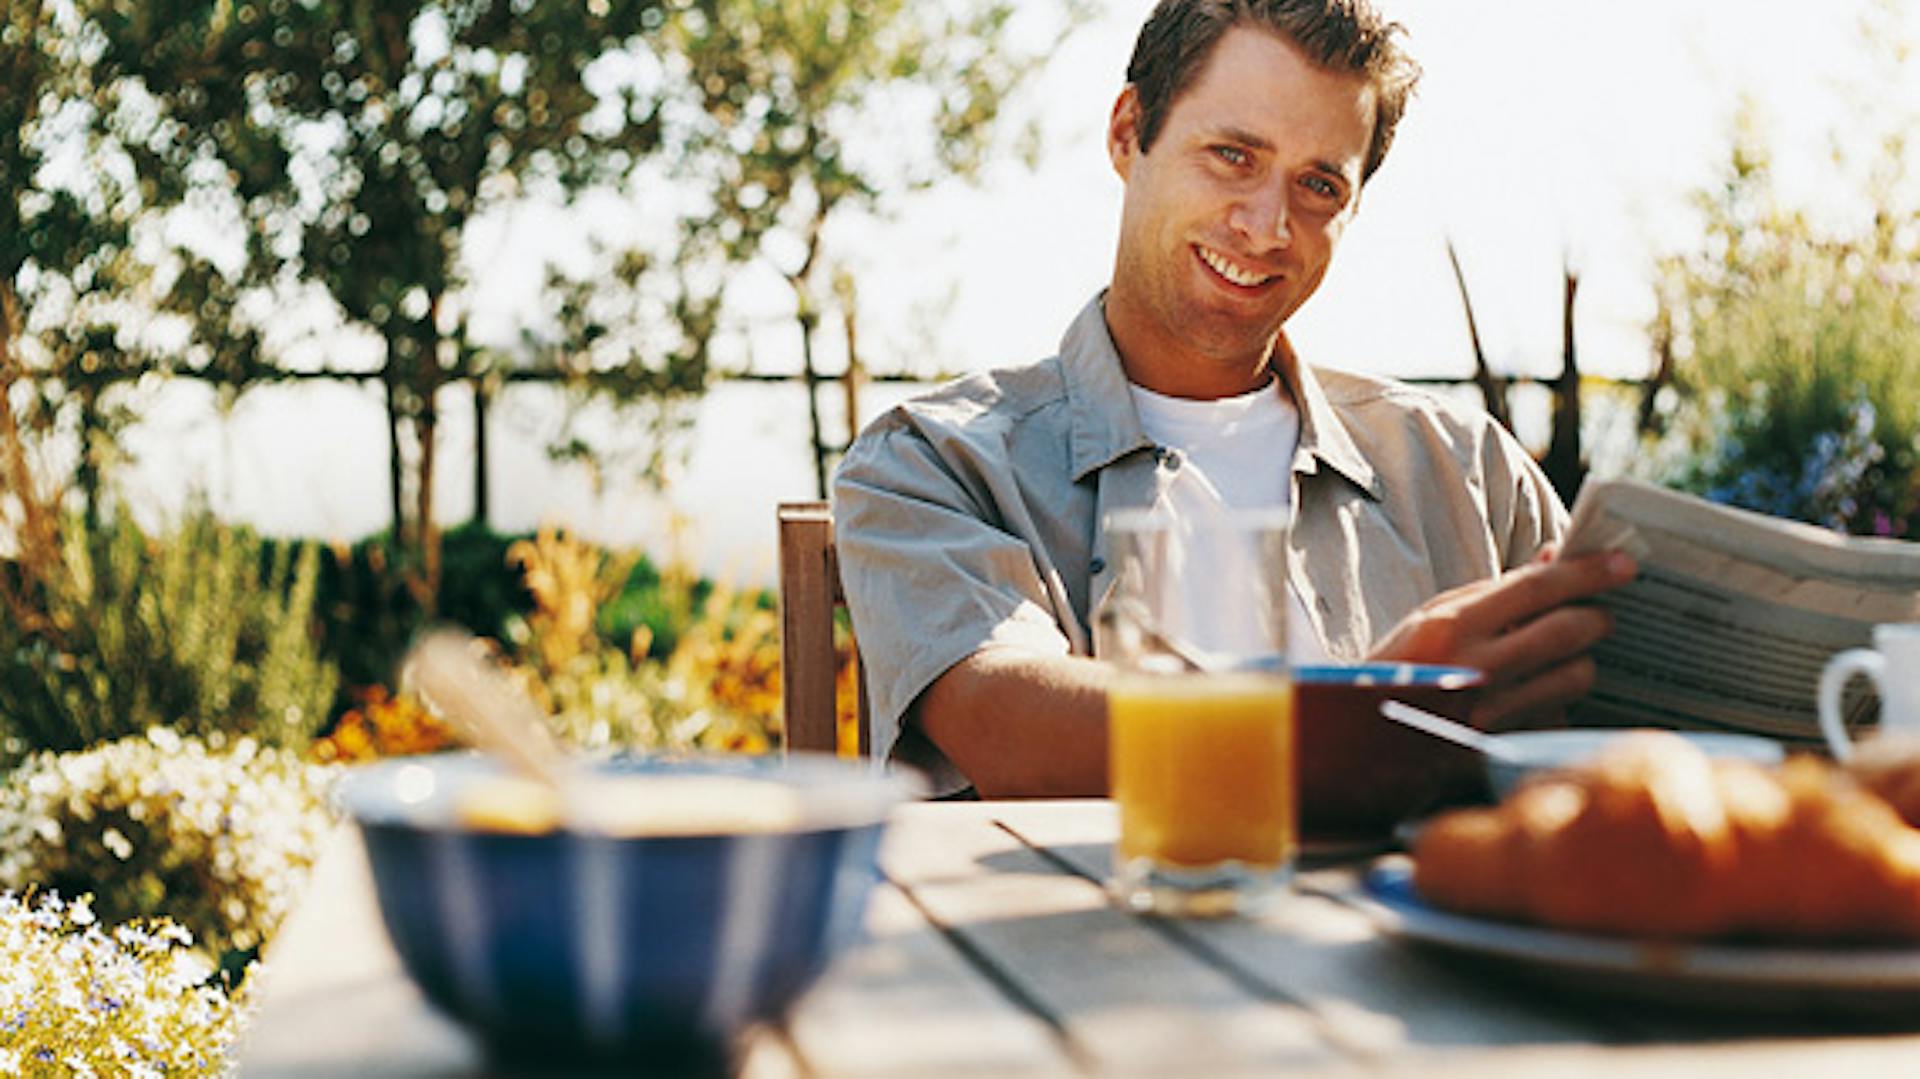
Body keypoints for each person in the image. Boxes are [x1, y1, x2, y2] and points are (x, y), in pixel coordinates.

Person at [832, 0, 1636, 798]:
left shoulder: (1467, 470)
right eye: (1232, 156)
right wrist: (1381, 709)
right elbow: (1013, 728)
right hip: (1088, 926)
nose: (1267, 226)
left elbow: (1634, 736)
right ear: (1127, 132)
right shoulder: (938, 459)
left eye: (1319, 184)